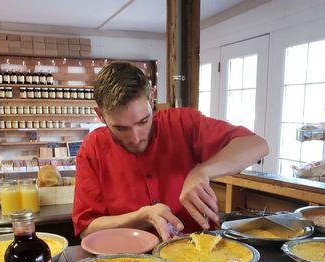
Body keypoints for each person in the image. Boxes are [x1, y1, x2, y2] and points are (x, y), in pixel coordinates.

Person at [72, 62, 269, 240]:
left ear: (151, 98)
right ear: (100, 115)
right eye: (121, 128)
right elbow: (87, 229)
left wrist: (202, 171)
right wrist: (143, 216)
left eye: (143, 121)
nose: (136, 137)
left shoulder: (182, 123)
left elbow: (257, 145)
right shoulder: (93, 149)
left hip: (194, 254)